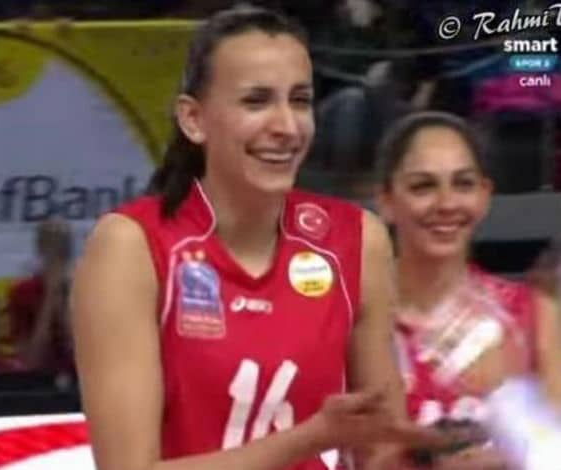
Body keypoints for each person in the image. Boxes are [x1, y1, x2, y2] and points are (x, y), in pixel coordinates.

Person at [71, 6, 449, 470]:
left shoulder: (357, 239)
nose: (287, 127)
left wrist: (440, 458)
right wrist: (310, 438)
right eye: (256, 101)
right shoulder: (130, 247)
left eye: (300, 101)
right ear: (193, 120)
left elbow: (380, 449)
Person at [375, 111, 561, 469]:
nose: (446, 204)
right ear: (386, 200)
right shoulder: (351, 318)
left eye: (463, 184)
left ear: (485, 195)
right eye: (423, 186)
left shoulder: (535, 316)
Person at [6, 217, 74, 375]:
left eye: (63, 247)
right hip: (37, 379)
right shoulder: (22, 292)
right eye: (52, 246)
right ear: (40, 249)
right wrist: (50, 298)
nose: (58, 254)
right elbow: (31, 359)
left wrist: (61, 303)